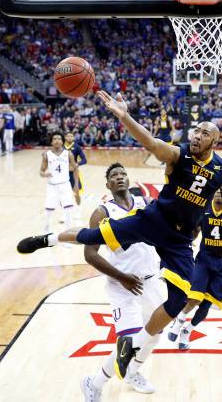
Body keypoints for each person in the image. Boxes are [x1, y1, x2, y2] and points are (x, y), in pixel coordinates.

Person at [17, 91, 222, 381]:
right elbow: (151, 142)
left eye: (204, 133)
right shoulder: (178, 155)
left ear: (214, 140)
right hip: (155, 220)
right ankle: (48, 239)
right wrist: (124, 116)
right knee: (91, 236)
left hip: (180, 240)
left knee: (179, 299)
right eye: (195, 131)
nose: (196, 136)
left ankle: (136, 345)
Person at [80, 163, 163, 401]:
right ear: (108, 184)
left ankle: (132, 372)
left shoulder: (145, 203)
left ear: (129, 180)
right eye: (114, 175)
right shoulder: (102, 213)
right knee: (128, 341)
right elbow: (90, 254)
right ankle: (93, 384)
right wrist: (122, 277)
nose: (119, 178)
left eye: (123, 174)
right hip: (122, 285)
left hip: (151, 281)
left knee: (155, 334)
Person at [167, 191, 222, 350]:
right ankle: (179, 321)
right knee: (195, 296)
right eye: (216, 190)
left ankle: (188, 331)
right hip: (205, 260)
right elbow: (194, 231)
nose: (219, 193)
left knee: (206, 304)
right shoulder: (203, 208)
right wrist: (183, 242)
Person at [40, 132, 80, 233]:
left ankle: (68, 234)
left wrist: (75, 185)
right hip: (52, 186)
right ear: (51, 142)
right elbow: (41, 171)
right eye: (54, 139)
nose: (57, 140)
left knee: (68, 210)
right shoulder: (46, 155)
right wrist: (44, 174)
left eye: (59, 139)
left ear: (62, 141)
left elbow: (75, 169)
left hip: (65, 185)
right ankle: (46, 233)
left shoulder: (68, 154)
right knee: (48, 210)